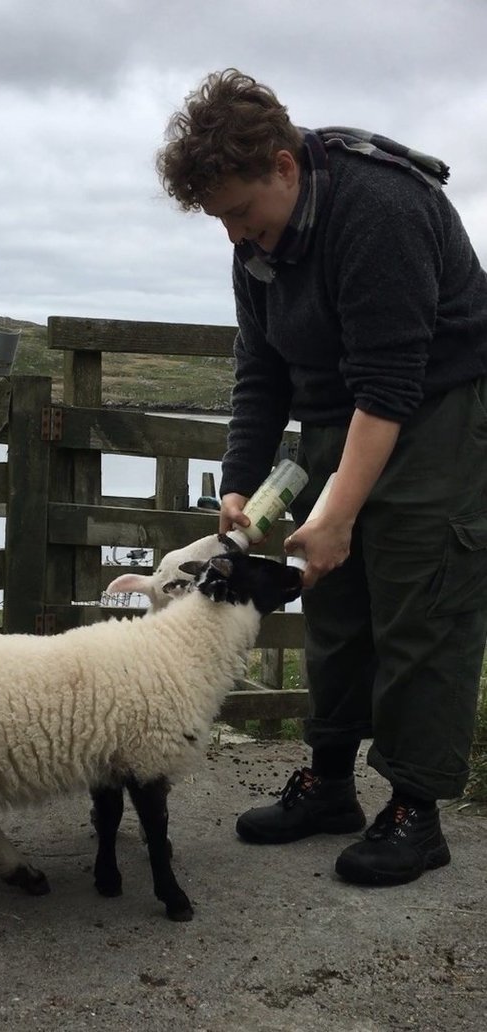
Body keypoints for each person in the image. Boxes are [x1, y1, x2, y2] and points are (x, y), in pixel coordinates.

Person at [156, 69, 487, 886]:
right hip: (343, 415)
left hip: (437, 411)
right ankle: (330, 783)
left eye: (238, 211)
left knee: (421, 603)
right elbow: (261, 372)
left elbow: (391, 385)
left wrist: (339, 510)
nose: (232, 234)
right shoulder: (257, 245)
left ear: (285, 167)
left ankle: (416, 810)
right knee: (332, 599)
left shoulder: (379, 209)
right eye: (217, 218)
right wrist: (240, 481)